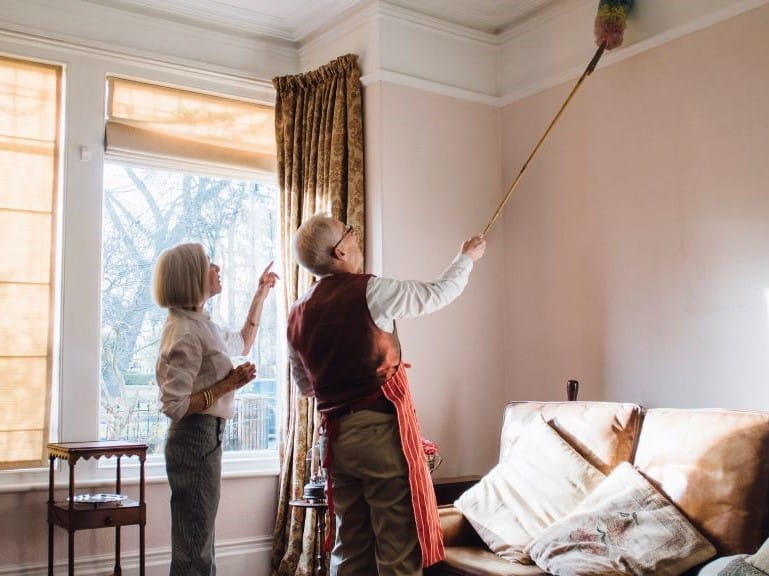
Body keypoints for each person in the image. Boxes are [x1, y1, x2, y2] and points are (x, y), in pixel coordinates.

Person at [287, 214, 486, 575]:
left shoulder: (296, 315)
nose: (355, 235)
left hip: (336, 440)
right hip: (378, 435)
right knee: (397, 548)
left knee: (351, 549)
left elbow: (305, 386)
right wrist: (466, 258)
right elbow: (437, 293)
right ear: (340, 250)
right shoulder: (369, 291)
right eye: (349, 231)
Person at [153, 242, 278, 576]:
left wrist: (260, 294)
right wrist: (228, 385)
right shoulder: (185, 331)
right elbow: (175, 405)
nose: (217, 267)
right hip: (194, 438)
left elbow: (242, 342)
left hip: (207, 438)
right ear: (192, 276)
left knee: (199, 539)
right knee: (195, 545)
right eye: (209, 263)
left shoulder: (199, 323)